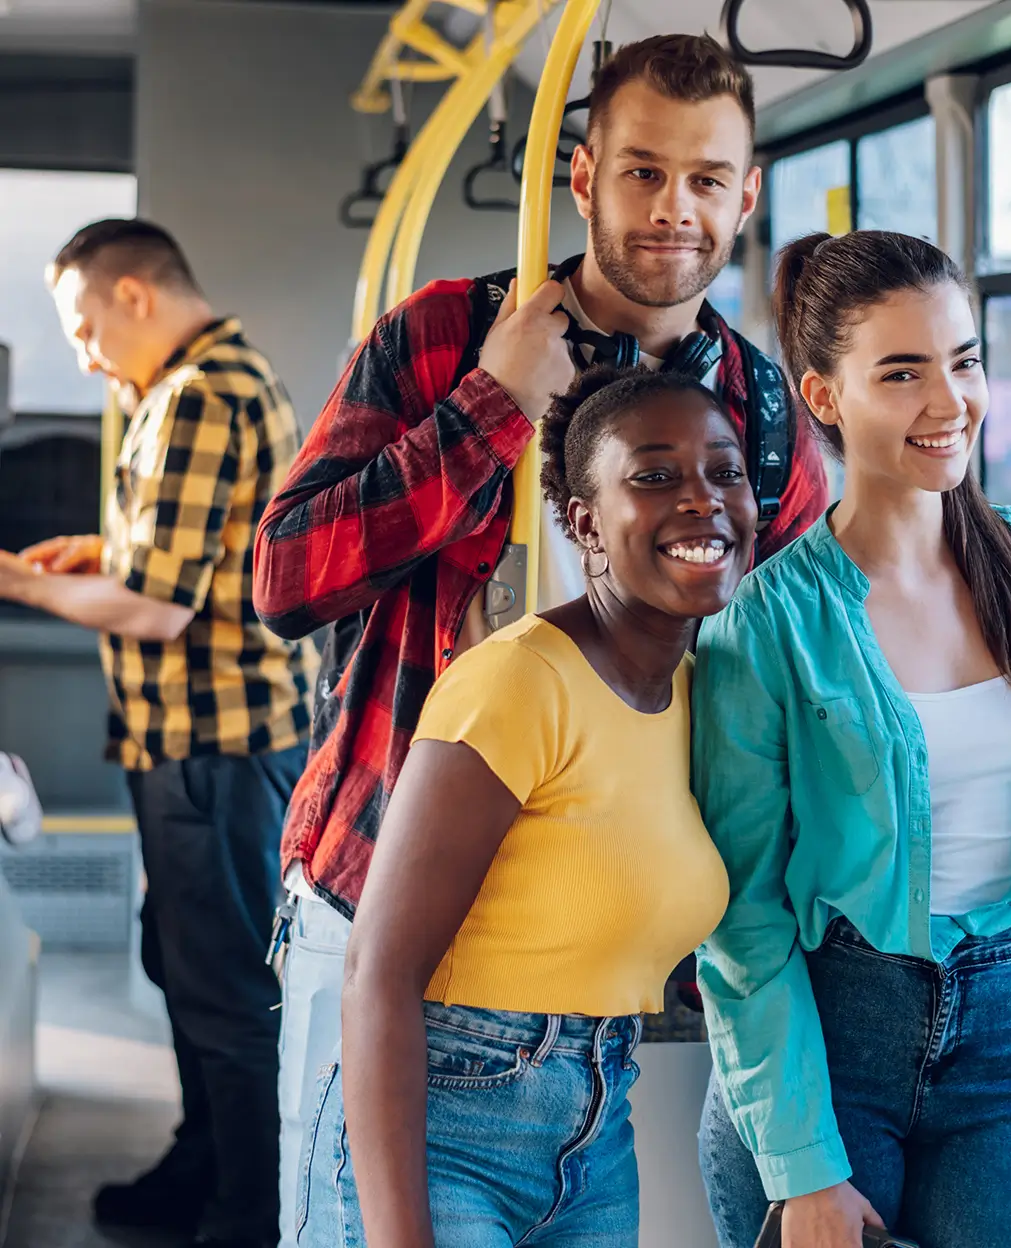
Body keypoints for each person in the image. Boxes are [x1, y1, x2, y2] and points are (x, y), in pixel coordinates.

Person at [252, 33, 828, 1248]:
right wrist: (489, 408)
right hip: (388, 911)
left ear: (746, 195)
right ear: (582, 177)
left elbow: (792, 669)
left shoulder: (760, 412)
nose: (674, 210)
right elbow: (288, 581)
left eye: (706, 180)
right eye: (642, 172)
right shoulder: (449, 335)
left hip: (594, 978)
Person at [690, 230, 1011, 1248]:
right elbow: (742, 917)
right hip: (835, 1044)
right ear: (824, 396)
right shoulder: (766, 623)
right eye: (902, 373)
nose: (950, 403)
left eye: (964, 361)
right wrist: (804, 1168)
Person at [298, 363, 754, 1247]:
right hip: (445, 1127)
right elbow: (377, 974)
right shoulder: (518, 683)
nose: (703, 499)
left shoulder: (704, 693)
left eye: (724, 471)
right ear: (584, 523)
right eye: (655, 476)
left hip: (597, 1136)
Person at [0, 218, 314, 1248]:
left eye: (86, 329)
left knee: (225, 994)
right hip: (203, 745)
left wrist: (13, 581)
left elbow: (157, 607)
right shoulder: (208, 379)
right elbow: (197, 552)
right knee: (189, 972)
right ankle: (203, 1169)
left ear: (134, 296)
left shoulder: (196, 396)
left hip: (215, 748)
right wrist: (98, 550)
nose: (86, 356)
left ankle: (247, 1216)